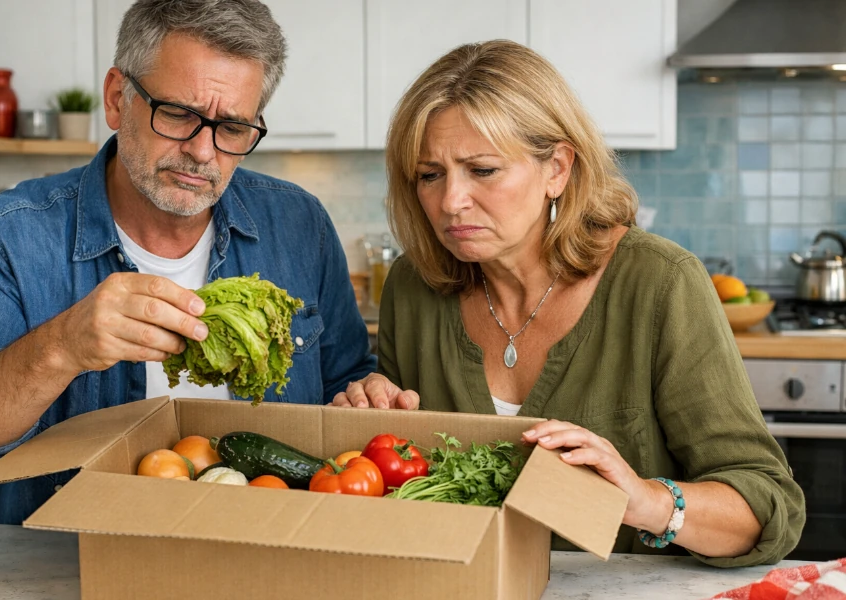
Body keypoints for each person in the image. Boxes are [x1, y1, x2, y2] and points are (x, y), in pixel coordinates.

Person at [0, 0, 375, 524]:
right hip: (66, 554)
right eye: (178, 114)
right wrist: (63, 346)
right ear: (116, 99)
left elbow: (345, 382)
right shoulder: (3, 237)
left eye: (233, 128)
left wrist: (364, 399)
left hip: (268, 544)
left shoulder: (301, 224)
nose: (203, 152)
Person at [332, 40, 804, 567]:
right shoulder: (413, 286)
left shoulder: (660, 283)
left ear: (557, 168)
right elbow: (398, 479)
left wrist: (644, 500)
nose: (450, 201)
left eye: (482, 170)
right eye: (429, 175)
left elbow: (766, 507)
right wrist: (368, 418)